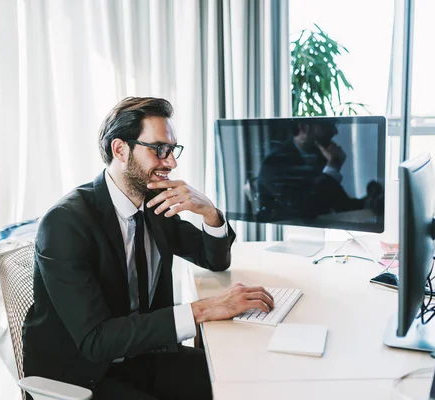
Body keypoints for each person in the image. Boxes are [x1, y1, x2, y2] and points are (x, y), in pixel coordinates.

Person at [22, 97, 274, 400]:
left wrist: (209, 211)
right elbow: (95, 340)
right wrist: (204, 309)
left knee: (243, 380)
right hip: (84, 375)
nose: (171, 162)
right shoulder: (66, 223)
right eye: (159, 150)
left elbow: (213, 259)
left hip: (142, 356)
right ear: (120, 149)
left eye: (172, 150)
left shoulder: (153, 204)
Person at [256, 120, 383, 222]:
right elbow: (304, 210)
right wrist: (333, 167)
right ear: (304, 128)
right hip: (279, 235)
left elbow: (343, 205)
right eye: (328, 126)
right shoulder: (276, 162)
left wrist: (371, 200)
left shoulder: (317, 157)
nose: (335, 131)